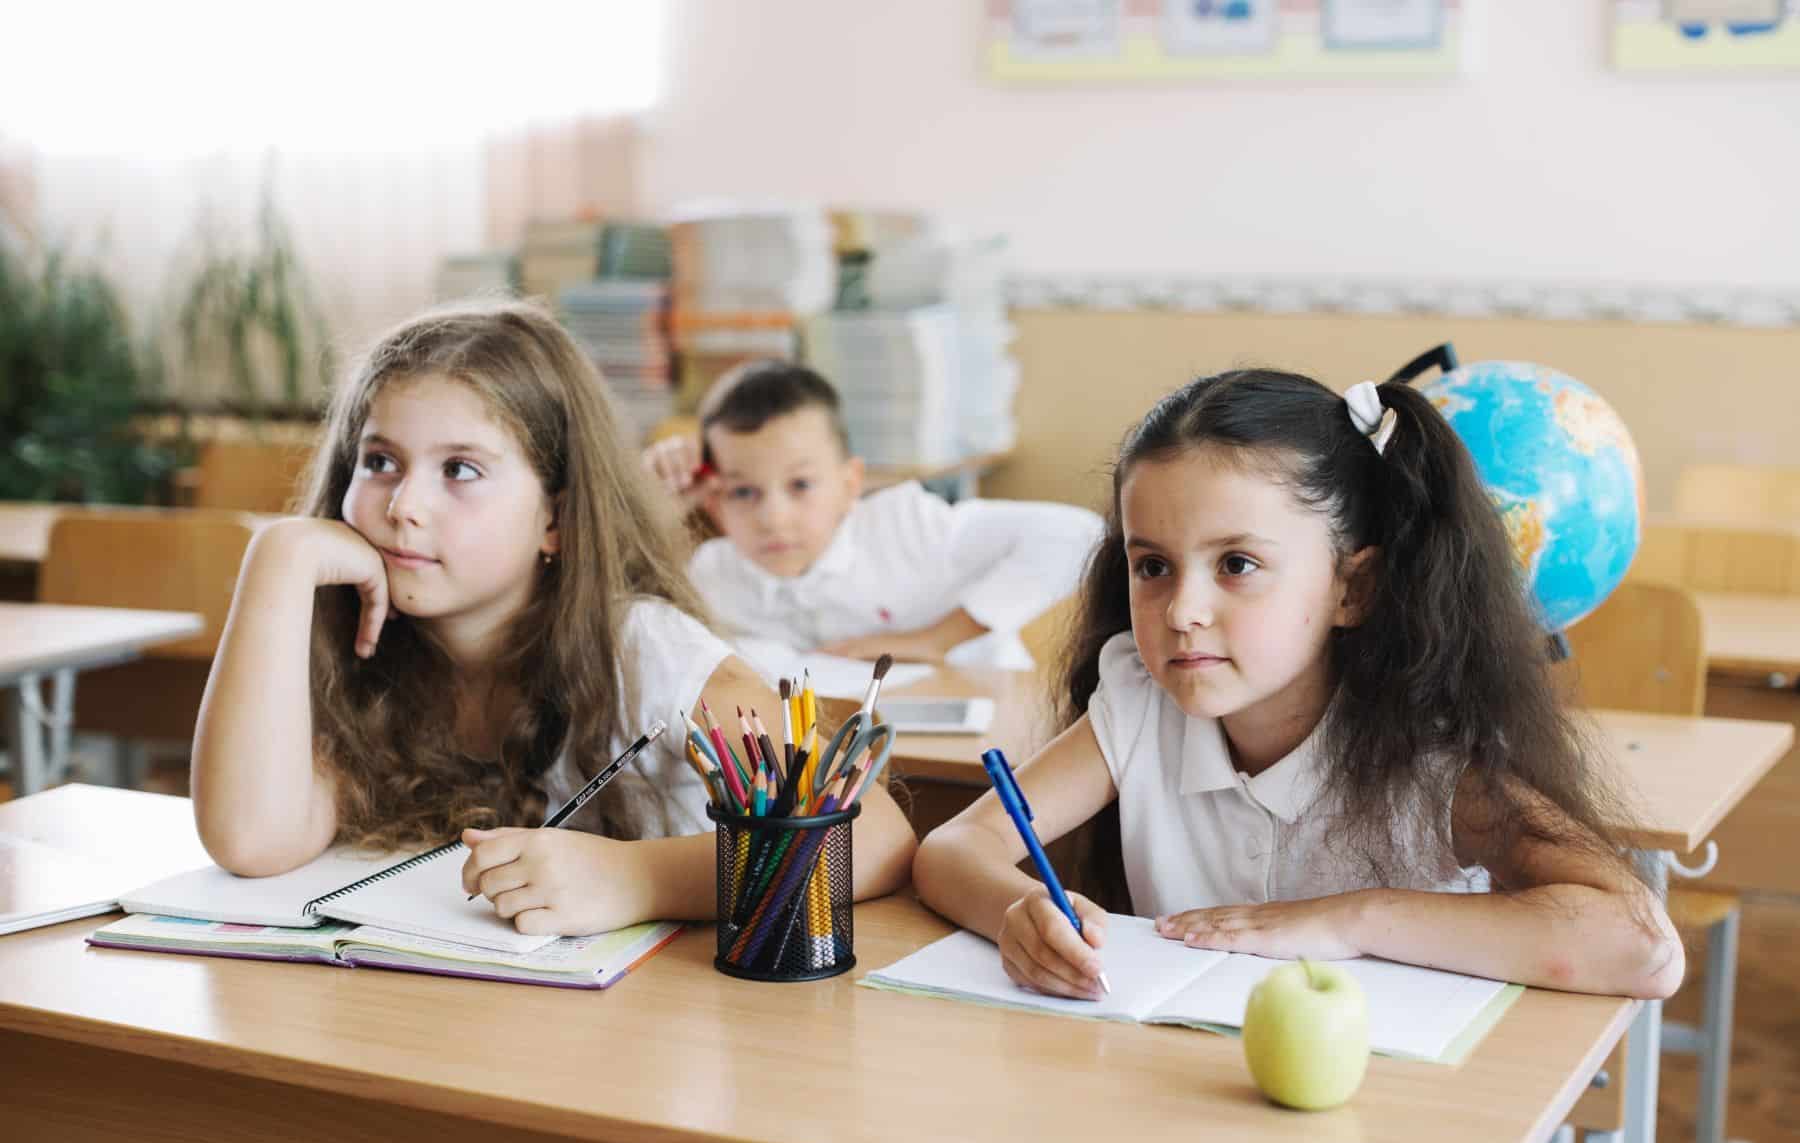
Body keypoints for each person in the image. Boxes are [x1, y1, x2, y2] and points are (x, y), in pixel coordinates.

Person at [912, 368, 1682, 1001]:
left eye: (1237, 565)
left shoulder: (1429, 753)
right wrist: (1021, 907)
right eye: (1152, 566)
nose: (1182, 610)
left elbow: (1642, 948)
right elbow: (954, 846)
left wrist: (1351, 920)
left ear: (1355, 588)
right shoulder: (1140, 707)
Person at [192, 301, 915, 934]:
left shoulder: (643, 651)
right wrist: (278, 560)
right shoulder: (360, 652)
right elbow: (252, 840)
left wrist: (639, 879)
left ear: (557, 518)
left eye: (460, 470)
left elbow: (876, 837)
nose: (403, 506)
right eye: (379, 461)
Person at [642, 360, 1103, 669]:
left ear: (850, 483)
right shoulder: (711, 574)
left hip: (984, 756)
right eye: (743, 491)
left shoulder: (907, 527)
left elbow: (1079, 534)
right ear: (712, 498)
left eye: (801, 485)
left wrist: (934, 640)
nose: (772, 517)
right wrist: (656, 498)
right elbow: (615, 606)